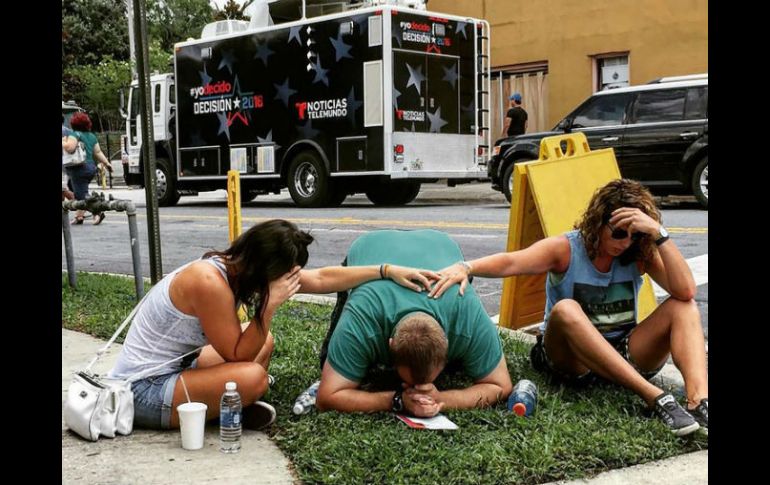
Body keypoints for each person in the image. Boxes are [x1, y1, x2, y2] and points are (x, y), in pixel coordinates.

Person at [429, 179, 707, 436]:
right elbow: (512, 262)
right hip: (574, 361)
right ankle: (656, 397)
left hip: (623, 352)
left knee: (684, 307)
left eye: (635, 235)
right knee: (566, 309)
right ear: (598, 222)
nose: (625, 243)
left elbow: (685, 291)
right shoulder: (567, 248)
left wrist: (659, 234)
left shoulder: (638, 253)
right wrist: (466, 267)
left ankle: (699, 402)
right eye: (620, 233)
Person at [107, 219, 440, 431]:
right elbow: (237, 354)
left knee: (264, 345)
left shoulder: (234, 267)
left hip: (178, 368)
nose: (288, 280)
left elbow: (322, 278)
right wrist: (267, 308)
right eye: (284, 274)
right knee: (251, 375)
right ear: (265, 266)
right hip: (143, 391)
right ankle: (224, 409)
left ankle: (224, 408)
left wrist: (385, 269)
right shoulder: (208, 281)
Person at [315, 229, 513, 417]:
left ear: (448, 345)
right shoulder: (361, 317)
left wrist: (440, 399)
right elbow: (326, 397)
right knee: (327, 361)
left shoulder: (467, 311)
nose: (417, 389)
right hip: (370, 249)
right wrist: (396, 400)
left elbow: (501, 386)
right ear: (389, 344)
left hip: (440, 246)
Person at [62, 112, 112, 225]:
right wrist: (107, 163)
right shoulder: (92, 136)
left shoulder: (74, 134)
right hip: (90, 168)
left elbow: (70, 148)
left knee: (81, 197)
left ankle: (98, 210)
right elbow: (98, 152)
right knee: (77, 190)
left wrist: (63, 142)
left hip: (79, 169)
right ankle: (79, 216)